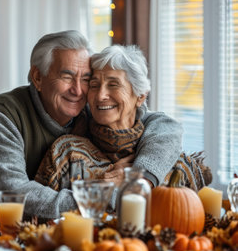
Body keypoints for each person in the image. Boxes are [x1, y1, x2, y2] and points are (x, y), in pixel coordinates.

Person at [0, 30, 183, 232]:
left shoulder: (89, 108)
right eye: (67, 76)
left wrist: (141, 176)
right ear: (38, 77)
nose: (78, 90)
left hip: (52, 240)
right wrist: (105, 197)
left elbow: (164, 125)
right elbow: (12, 194)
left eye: (86, 79)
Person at [35, 44, 211, 192]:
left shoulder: (169, 159)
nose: (101, 95)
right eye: (94, 85)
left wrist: (139, 178)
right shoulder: (67, 153)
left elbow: (198, 219)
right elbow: (35, 221)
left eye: (113, 85)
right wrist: (103, 189)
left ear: (141, 96)